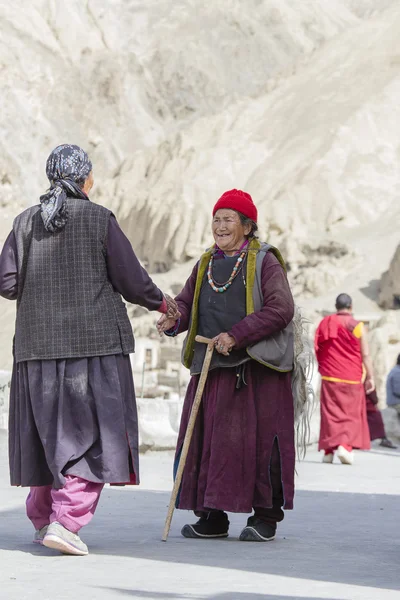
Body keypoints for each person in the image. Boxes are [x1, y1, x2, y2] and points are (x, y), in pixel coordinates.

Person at [0, 144, 179, 556]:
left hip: (35, 350)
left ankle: (43, 517)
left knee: (47, 434)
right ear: (87, 179)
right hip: (92, 347)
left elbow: (8, 283)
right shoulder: (99, 219)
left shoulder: (24, 221)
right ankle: (66, 522)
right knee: (95, 434)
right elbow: (132, 280)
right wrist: (164, 305)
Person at [157, 189, 295, 543]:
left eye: (228, 219)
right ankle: (212, 516)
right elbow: (187, 304)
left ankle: (264, 517)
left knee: (261, 445)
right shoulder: (205, 264)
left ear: (247, 227)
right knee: (210, 444)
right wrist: (173, 318)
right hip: (213, 369)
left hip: (256, 371)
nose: (219, 226)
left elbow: (281, 309)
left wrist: (237, 335)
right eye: (216, 219)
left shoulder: (266, 262)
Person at [314, 293, 372, 465]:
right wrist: (370, 376)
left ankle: (328, 451)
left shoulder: (325, 323)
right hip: (352, 378)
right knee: (350, 415)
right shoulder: (357, 326)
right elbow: (366, 354)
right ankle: (345, 447)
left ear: (336, 306)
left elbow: (317, 348)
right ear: (351, 307)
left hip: (330, 375)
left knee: (330, 414)